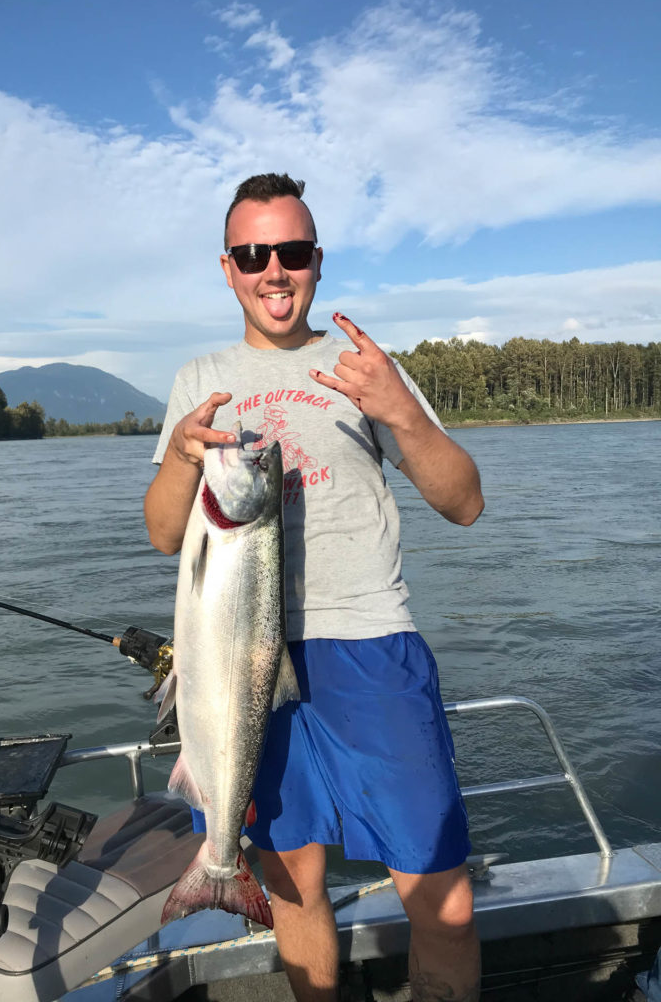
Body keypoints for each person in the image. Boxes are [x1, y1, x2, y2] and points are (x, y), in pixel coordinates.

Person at [145, 173, 485, 1002]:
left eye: (291, 252)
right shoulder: (199, 379)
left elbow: (465, 503)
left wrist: (402, 413)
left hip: (371, 645)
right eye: (254, 253)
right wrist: (189, 457)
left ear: (317, 263)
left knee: (442, 897)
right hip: (238, 663)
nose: (274, 270)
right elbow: (163, 535)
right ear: (228, 268)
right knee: (293, 886)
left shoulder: (365, 367)